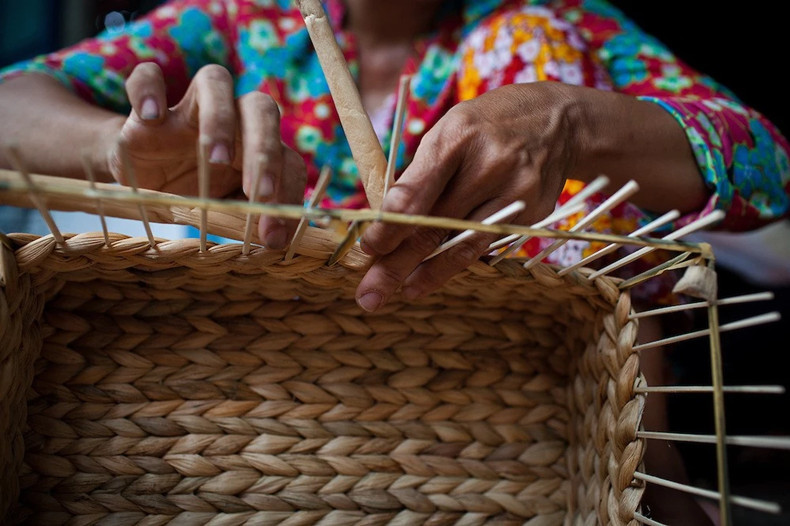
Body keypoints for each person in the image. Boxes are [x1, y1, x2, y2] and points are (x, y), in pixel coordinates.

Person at [0, 1, 788, 523]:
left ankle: (622, 473)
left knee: (534, 47)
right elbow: (11, 99)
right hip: (290, 444)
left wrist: (573, 122)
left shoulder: (551, 21)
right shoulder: (240, 24)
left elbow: (769, 165)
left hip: (559, 444)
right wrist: (112, 150)